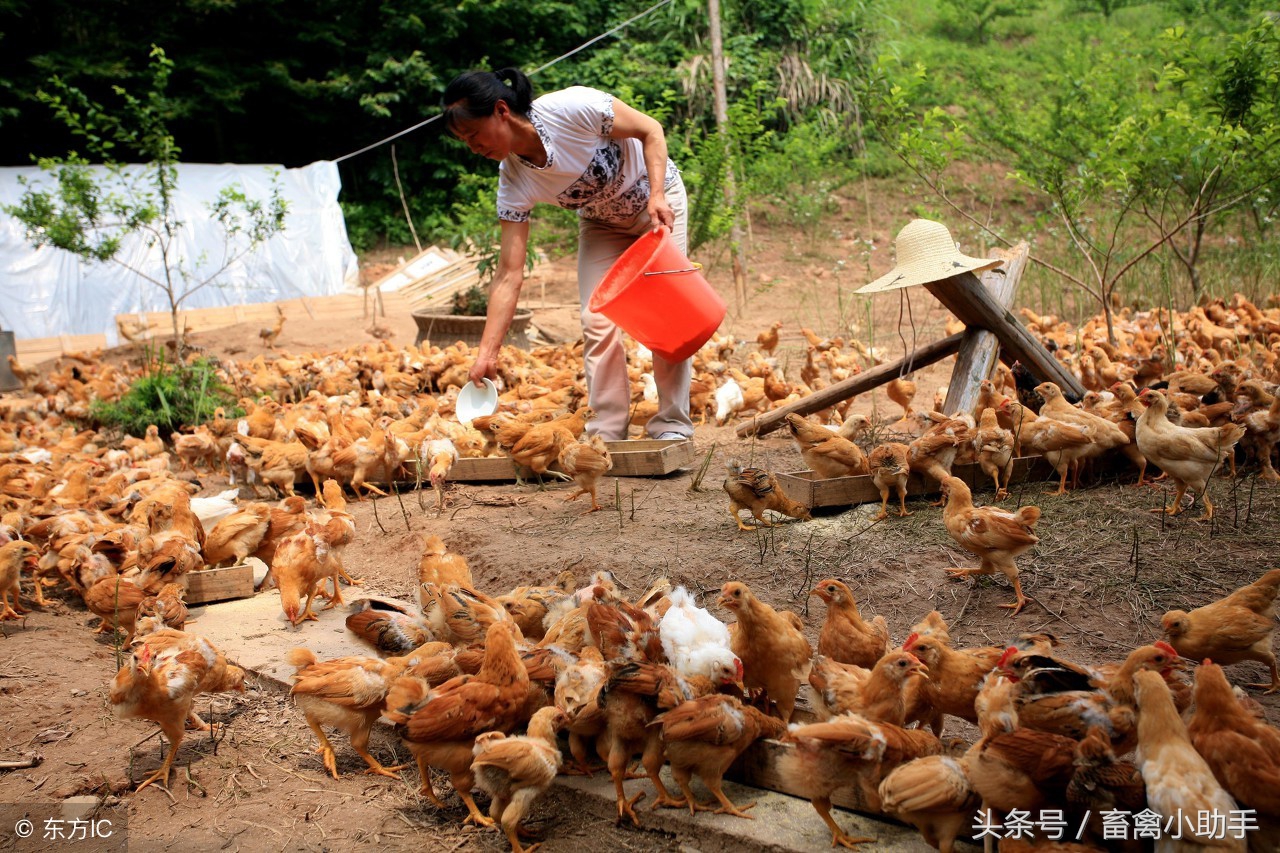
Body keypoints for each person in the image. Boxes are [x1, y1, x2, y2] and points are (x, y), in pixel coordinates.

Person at [445, 67, 693, 441]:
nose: (473, 147)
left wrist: (657, 194)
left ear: (500, 110)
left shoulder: (572, 108)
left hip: (656, 206)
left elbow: (650, 130)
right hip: (601, 226)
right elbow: (509, 273)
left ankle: (672, 424)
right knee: (595, 319)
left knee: (666, 313)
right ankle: (607, 431)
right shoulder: (513, 179)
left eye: (474, 134)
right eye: (464, 141)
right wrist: (487, 354)